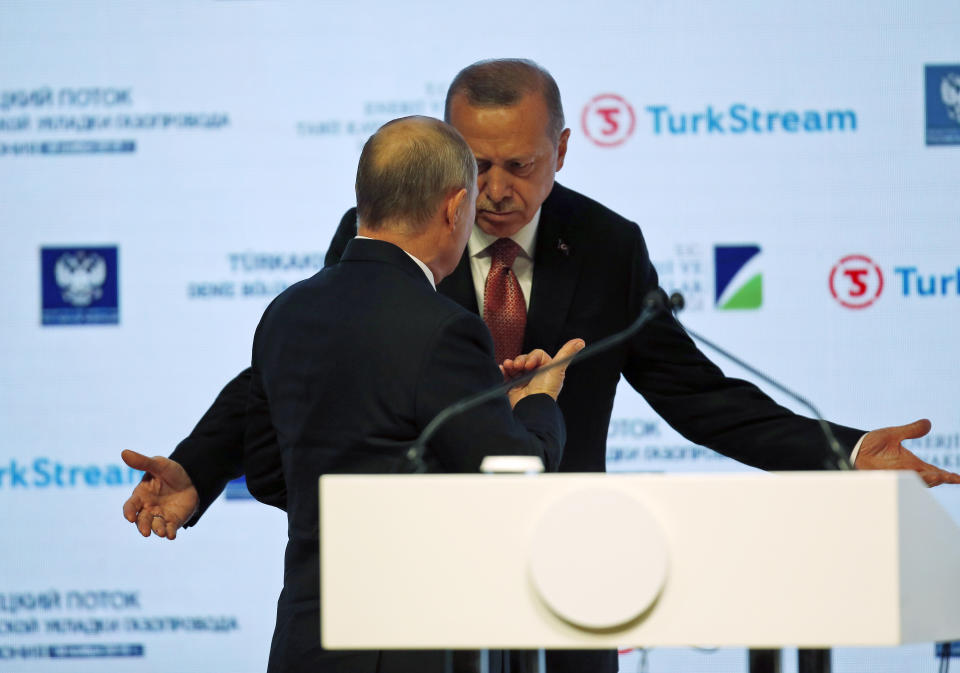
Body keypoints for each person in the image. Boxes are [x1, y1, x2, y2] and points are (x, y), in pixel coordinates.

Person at [122, 59, 960, 673]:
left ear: (561, 149)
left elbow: (698, 394)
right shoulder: (386, 226)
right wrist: (199, 464)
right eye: (476, 165)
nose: (494, 189)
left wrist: (846, 452)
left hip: (570, 584)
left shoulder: (605, 246)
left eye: (519, 164)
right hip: (414, 599)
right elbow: (296, 361)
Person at [128, 115, 580, 673]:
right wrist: (538, 402)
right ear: (454, 207)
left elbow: (270, 475)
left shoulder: (286, 312)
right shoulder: (446, 329)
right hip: (417, 651)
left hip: (306, 646)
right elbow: (513, 483)